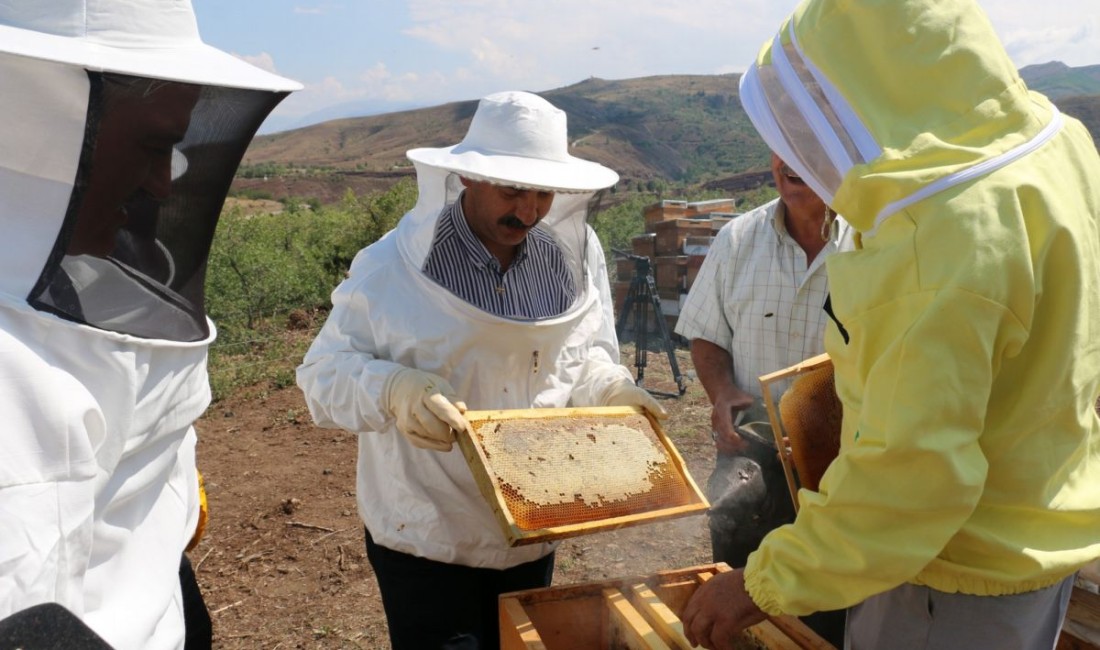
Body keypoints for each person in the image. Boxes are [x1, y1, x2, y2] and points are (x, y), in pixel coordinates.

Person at [680, 0, 1100, 648]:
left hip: (944, 580)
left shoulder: (934, 240)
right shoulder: (1062, 150)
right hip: (1030, 546)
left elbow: (911, 483)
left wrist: (762, 582)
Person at [296, 90, 668, 649]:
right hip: (426, 533)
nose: (529, 210)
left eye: (544, 192)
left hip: (533, 530)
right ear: (467, 178)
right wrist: (394, 389)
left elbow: (581, 354)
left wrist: (613, 387)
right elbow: (322, 376)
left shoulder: (571, 256)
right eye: (513, 190)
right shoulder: (389, 268)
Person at [0, 2, 300, 649]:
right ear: (40, 123)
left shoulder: (98, 281)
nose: (166, 185)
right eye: (155, 144)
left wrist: (168, 501)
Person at [674, 152, 852, 645]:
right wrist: (722, 391)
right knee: (737, 600)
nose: (790, 162)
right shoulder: (737, 239)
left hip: (840, 476)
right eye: (780, 148)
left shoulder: (874, 242)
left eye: (805, 148)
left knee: (825, 619)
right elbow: (707, 335)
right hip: (748, 461)